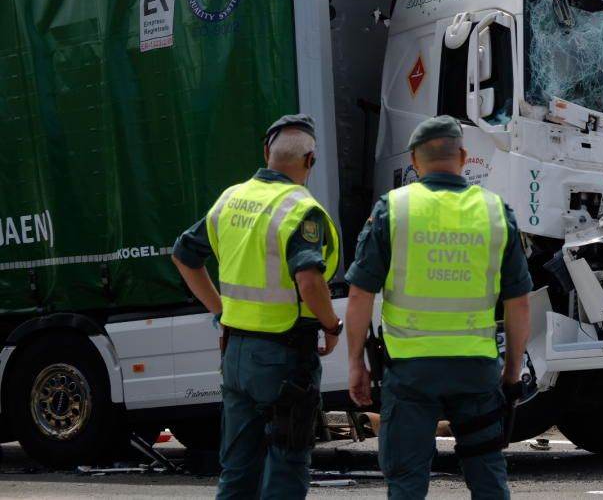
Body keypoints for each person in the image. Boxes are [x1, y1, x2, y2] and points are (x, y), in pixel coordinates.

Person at [345, 115, 532, 500]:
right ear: (463, 156)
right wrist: (511, 371)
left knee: (407, 481)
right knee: (487, 478)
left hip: (411, 371)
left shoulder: (393, 209)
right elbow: (518, 302)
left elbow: (360, 296)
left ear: (415, 161)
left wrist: (355, 365)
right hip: (476, 371)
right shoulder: (496, 212)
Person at [171, 113, 343, 500]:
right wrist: (331, 326)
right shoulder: (301, 210)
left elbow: (184, 256)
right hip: (285, 359)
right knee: (285, 468)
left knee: (237, 469)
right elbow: (310, 279)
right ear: (310, 161)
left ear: (266, 152)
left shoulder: (230, 199)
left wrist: (220, 311)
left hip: (235, 356)